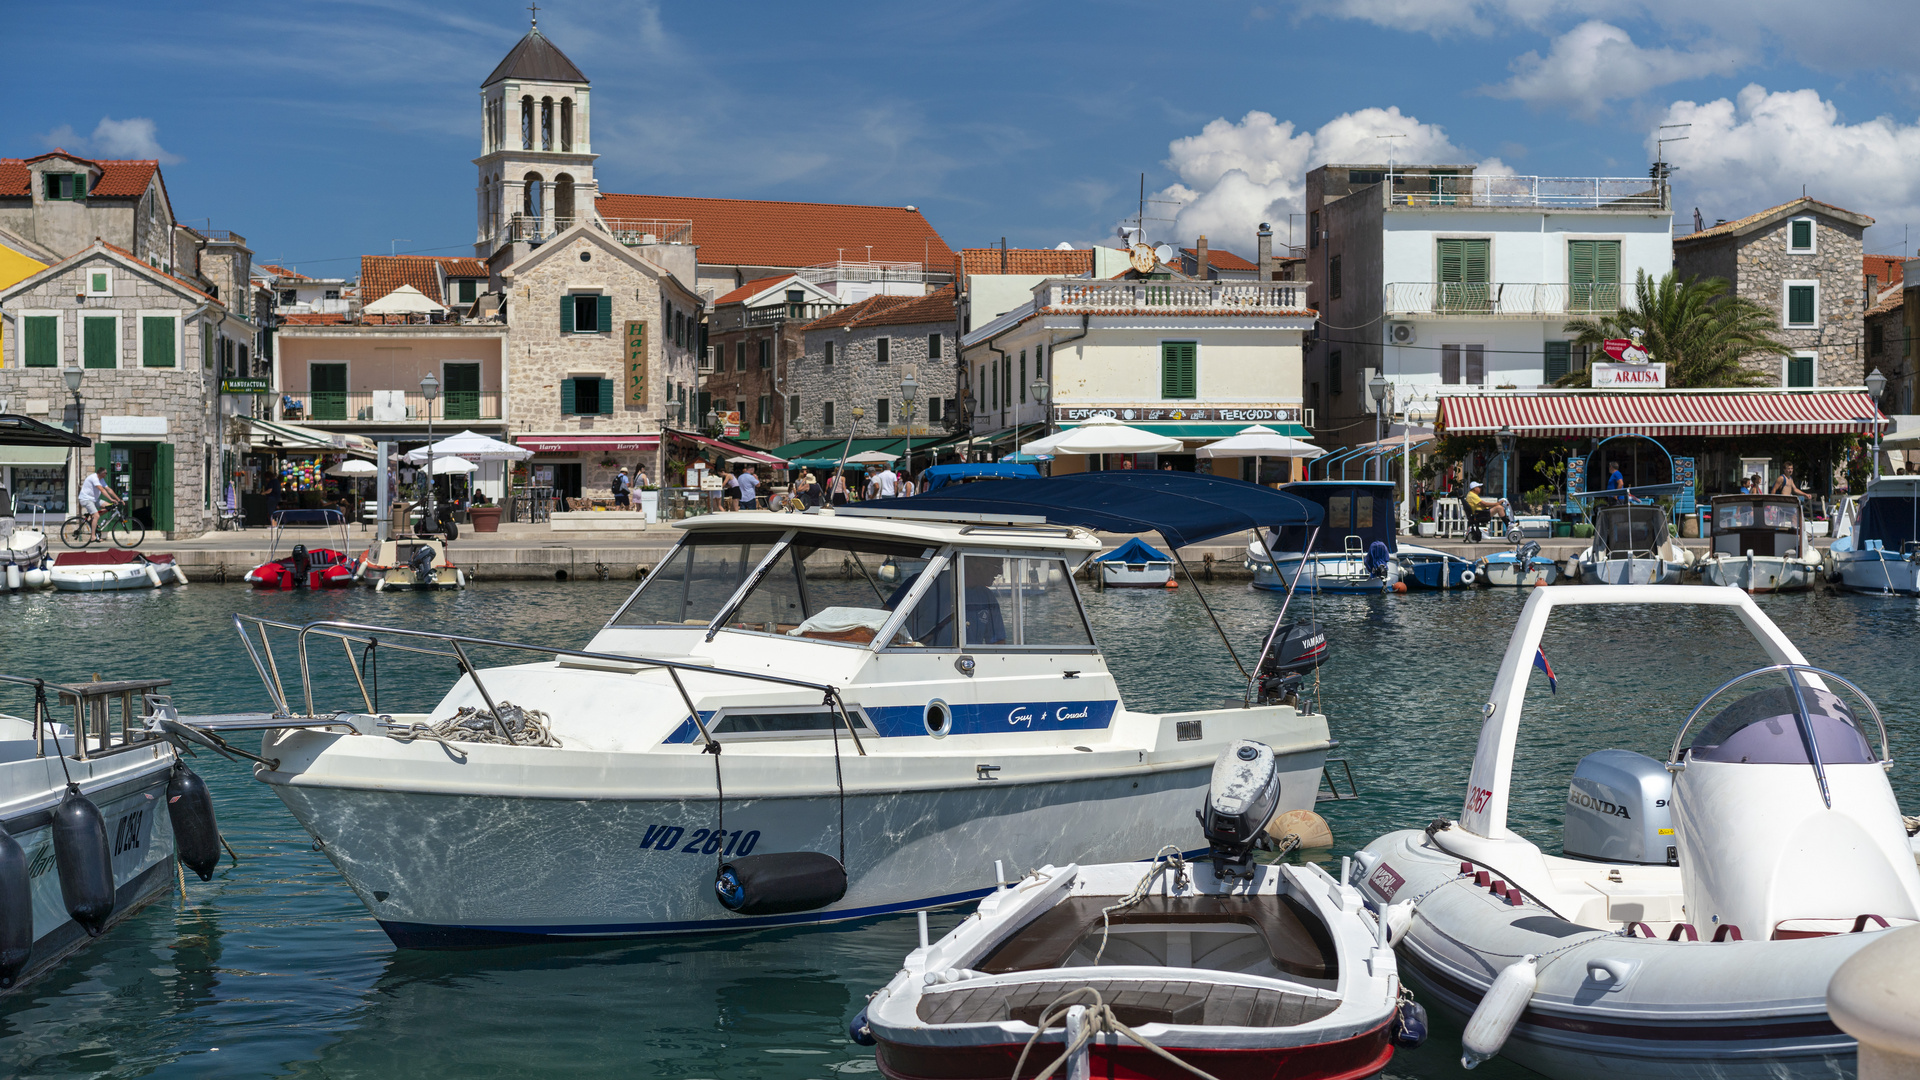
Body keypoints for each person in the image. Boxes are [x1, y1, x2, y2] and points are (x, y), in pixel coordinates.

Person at [961, 557, 1008, 645]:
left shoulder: (987, 597)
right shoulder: (938, 588)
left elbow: (998, 643)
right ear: (977, 564)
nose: (1000, 571)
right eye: (997, 565)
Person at [77, 464, 122, 535]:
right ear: (102, 473)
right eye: (106, 473)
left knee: (109, 506)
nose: (106, 474)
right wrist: (111, 499)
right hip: (86, 499)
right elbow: (102, 490)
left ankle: (93, 520)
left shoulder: (101, 479)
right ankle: (93, 536)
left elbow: (108, 489)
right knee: (97, 516)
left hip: (94, 499)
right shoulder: (94, 478)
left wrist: (118, 499)